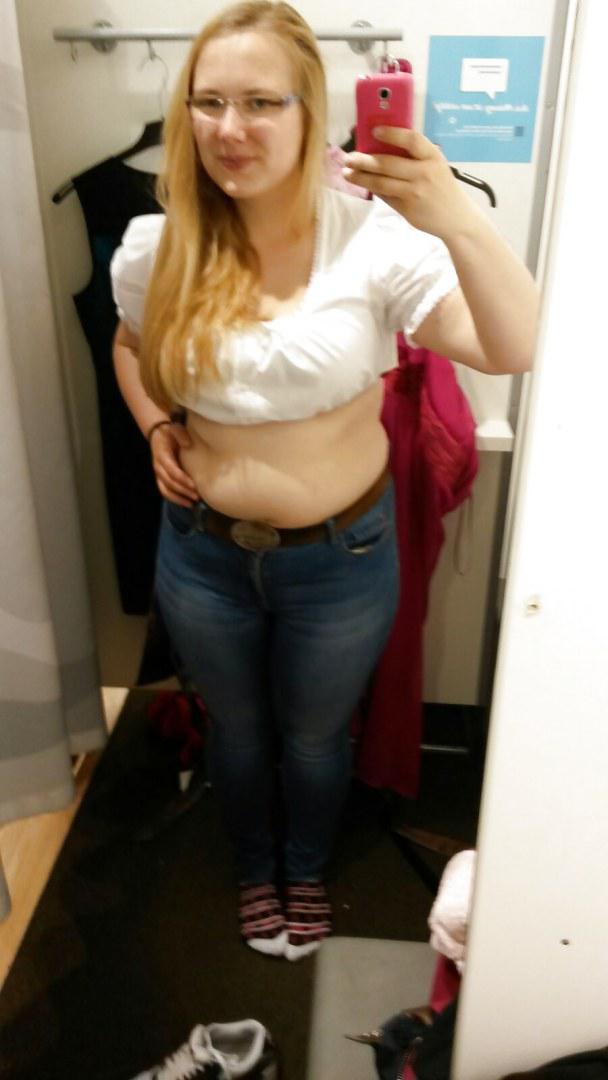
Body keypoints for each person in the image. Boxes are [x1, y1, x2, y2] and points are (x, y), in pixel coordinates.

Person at [111, 0, 538, 962]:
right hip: (202, 555)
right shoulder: (157, 245)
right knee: (235, 731)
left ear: (311, 113)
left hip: (340, 557)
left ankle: (302, 869)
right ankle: (252, 867)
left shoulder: (377, 242)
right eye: (209, 102)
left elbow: (513, 345)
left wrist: (452, 215)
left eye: (262, 102)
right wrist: (154, 425)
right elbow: (130, 345)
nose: (230, 128)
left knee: (313, 737)